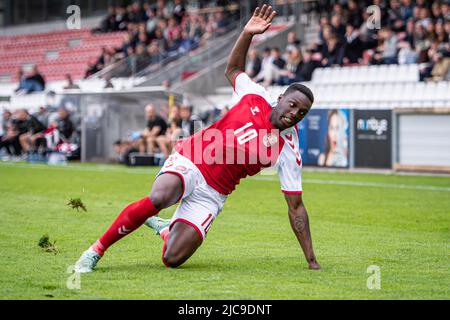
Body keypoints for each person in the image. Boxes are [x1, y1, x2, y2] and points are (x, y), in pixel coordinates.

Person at [74, 5, 320, 273]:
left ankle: (168, 230)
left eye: (302, 113)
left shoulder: (289, 148)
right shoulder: (256, 95)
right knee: (160, 197)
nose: (295, 113)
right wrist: (247, 33)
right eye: (293, 105)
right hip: (193, 159)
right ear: (282, 98)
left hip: (214, 194)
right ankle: (95, 251)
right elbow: (233, 69)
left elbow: (296, 207)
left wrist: (311, 260)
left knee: (172, 259)